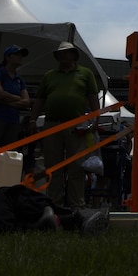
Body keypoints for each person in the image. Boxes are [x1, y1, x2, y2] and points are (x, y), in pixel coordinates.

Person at [31, 41, 100, 208]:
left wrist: (95, 119)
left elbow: (92, 98)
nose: (63, 55)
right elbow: (39, 100)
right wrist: (33, 119)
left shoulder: (85, 73)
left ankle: (77, 204)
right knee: (53, 166)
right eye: (61, 53)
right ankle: (55, 203)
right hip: (52, 124)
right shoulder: (49, 75)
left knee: (76, 166)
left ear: (74, 55)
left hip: (76, 126)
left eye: (67, 52)